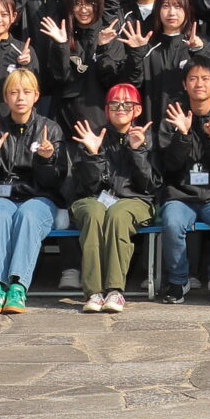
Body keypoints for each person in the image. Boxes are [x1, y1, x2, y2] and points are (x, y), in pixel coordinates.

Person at [0, 67, 67, 313]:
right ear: (5, 97)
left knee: (28, 215)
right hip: (0, 196)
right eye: (14, 92)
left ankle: (17, 287)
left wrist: (46, 159)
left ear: (37, 96)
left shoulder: (50, 129)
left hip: (39, 198)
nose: (20, 98)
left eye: (26, 92)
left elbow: (54, 181)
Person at [153, 60, 210, 303]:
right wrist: (182, 135)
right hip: (181, 194)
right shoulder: (173, 116)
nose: (199, 84)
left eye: (205, 79)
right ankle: (178, 281)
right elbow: (169, 165)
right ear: (184, 84)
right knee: (172, 222)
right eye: (193, 78)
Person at [68, 84, 158, 314]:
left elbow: (149, 185)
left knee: (118, 215)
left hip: (135, 199)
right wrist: (94, 154)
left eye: (127, 104)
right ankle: (94, 292)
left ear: (137, 109)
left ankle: (115, 290)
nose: (120, 108)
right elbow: (87, 186)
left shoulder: (147, 137)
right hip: (92, 198)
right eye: (115, 103)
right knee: (94, 213)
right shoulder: (93, 135)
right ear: (106, 109)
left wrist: (138, 151)